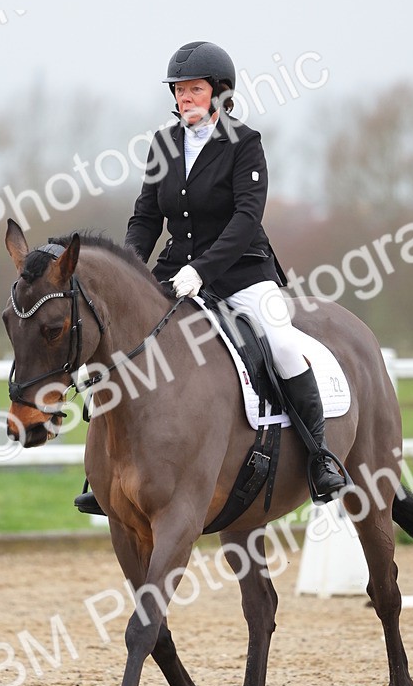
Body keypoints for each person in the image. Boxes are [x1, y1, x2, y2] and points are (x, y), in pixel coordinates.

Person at [74, 40, 346, 514]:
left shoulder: (245, 144)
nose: (184, 99)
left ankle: (319, 456)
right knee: (119, 342)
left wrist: (202, 269)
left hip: (241, 270)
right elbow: (144, 218)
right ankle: (103, 473)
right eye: (179, 91)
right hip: (175, 271)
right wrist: (129, 272)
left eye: (194, 90)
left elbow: (246, 218)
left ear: (220, 93)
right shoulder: (163, 145)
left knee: (281, 342)